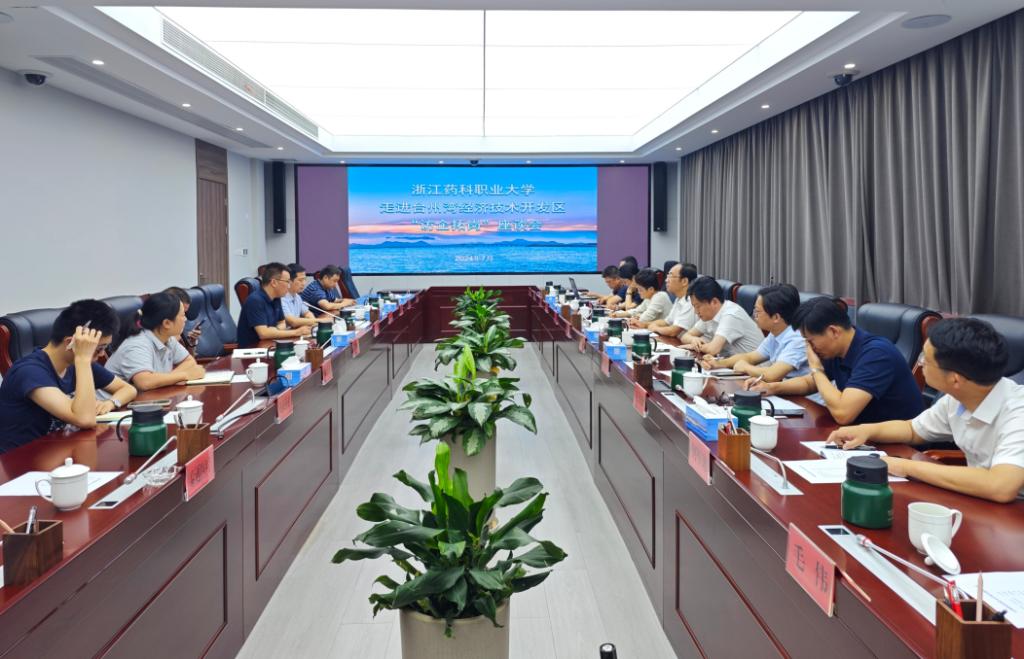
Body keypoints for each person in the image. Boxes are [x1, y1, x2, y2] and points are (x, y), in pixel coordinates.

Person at [827, 318, 1024, 502]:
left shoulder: (1018, 411)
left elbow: (1000, 486)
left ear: (955, 379)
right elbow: (913, 430)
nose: (920, 363)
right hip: (983, 502)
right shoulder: (957, 398)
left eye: (926, 360)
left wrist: (905, 466)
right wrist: (866, 430)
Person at [751, 297, 924, 425]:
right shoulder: (837, 349)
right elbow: (810, 383)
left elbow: (843, 413)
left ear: (833, 331)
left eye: (810, 341)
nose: (809, 348)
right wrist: (772, 387)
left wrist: (816, 369)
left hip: (899, 447)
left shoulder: (877, 354)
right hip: (861, 435)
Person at [0, 300, 138, 453]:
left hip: (60, 449)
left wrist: (111, 403)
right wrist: (83, 359)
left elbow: (128, 389)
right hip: (23, 460)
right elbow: (85, 419)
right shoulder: (29, 372)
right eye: (99, 348)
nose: (101, 354)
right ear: (71, 343)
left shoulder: (75, 363)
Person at [705, 284, 808, 381]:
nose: (754, 316)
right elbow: (751, 357)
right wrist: (719, 363)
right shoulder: (776, 332)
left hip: (801, 393)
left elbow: (773, 375)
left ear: (776, 317)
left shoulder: (797, 339)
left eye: (757, 312)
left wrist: (746, 367)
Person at [104, 292, 205, 390]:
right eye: (183, 315)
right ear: (167, 323)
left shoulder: (167, 338)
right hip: (112, 401)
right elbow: (144, 382)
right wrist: (184, 375)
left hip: (147, 398)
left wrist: (169, 378)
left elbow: (189, 362)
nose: (185, 319)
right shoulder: (137, 344)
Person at [679, 276, 763, 358]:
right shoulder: (709, 315)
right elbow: (685, 336)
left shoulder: (731, 315)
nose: (696, 312)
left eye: (698, 306)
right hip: (731, 363)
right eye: (694, 306)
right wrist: (693, 340)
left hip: (755, 366)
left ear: (714, 302)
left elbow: (713, 349)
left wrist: (695, 346)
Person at [236, 262, 312, 348]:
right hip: (253, 349)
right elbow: (263, 333)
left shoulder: (276, 298)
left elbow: (282, 323)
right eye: (287, 282)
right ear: (274, 282)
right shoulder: (255, 300)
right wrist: (297, 332)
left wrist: (274, 331)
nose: (289, 286)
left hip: (270, 344)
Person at [648, 262, 698, 337]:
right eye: (667, 276)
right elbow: (666, 322)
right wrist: (653, 324)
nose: (666, 280)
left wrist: (655, 328)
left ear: (684, 281)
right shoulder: (679, 299)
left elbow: (673, 331)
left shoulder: (691, 301)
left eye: (670, 276)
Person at [163, 286, 203, 351]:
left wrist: (191, 342)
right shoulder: (152, 337)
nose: (185, 319)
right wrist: (173, 342)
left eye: (184, 313)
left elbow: (188, 356)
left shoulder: (177, 332)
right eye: (182, 313)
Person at [281, 263, 319, 329]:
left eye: (305, 279)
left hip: (296, 332)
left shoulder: (297, 296)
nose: (304, 283)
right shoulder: (281, 298)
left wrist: (313, 322)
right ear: (289, 281)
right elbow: (292, 322)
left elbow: (307, 313)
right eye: (300, 280)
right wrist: (319, 321)